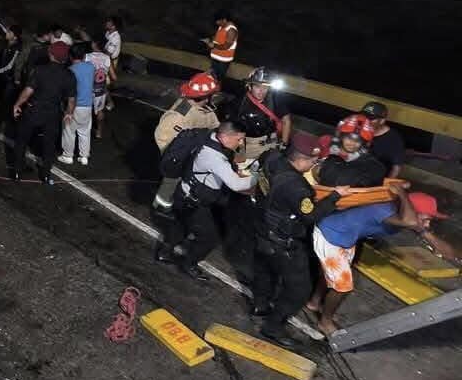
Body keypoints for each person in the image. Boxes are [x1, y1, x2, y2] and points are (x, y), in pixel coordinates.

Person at [308, 185, 446, 335]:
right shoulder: (383, 210)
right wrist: (402, 193)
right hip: (331, 234)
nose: (427, 224)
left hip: (346, 238)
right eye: (425, 219)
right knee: (342, 287)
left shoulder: (402, 215)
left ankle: (314, 302)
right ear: (412, 211)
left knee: (331, 275)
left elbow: (437, 244)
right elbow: (411, 222)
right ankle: (325, 322)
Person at [251, 143, 351, 348]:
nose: (314, 165)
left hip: (261, 228)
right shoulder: (297, 187)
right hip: (283, 242)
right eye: (313, 161)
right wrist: (335, 196)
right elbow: (310, 215)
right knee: (299, 290)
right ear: (301, 160)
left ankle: (259, 305)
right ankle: (273, 327)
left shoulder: (272, 159)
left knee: (264, 270)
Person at [161, 122, 255, 281]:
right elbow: (237, 184)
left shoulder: (210, 136)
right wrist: (259, 178)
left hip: (183, 193)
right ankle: (189, 264)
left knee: (180, 225)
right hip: (193, 201)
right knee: (209, 237)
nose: (240, 143)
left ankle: (164, 252)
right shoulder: (214, 157)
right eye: (238, 139)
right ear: (224, 137)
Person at [152, 72, 220, 213]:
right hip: (181, 156)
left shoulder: (205, 109)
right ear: (205, 97)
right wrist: (175, 157)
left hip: (194, 153)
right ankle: (161, 206)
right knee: (171, 181)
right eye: (211, 94)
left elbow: (214, 126)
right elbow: (162, 137)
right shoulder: (179, 116)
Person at [12, 41, 75, 185]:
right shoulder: (69, 75)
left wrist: (17, 104)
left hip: (34, 109)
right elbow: (71, 99)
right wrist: (69, 112)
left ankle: (17, 172)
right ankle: (46, 175)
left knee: (22, 140)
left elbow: (28, 91)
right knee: (49, 145)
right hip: (53, 112)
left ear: (51, 54)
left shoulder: (40, 70)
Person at [232, 67, 291, 165]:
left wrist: (283, 144)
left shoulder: (274, 100)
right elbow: (235, 129)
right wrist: (241, 151)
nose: (261, 91)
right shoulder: (240, 103)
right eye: (257, 86)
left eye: (265, 87)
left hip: (272, 142)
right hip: (250, 145)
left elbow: (286, 120)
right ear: (250, 86)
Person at [317, 115, 386, 188]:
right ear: (341, 136)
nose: (352, 143)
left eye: (358, 141)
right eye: (349, 138)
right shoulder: (325, 143)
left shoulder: (368, 163)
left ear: (364, 143)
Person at [59, 43, 96, 166]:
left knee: (69, 130)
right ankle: (84, 156)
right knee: (85, 131)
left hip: (74, 105)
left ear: (70, 56)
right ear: (84, 55)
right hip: (88, 105)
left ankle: (68, 155)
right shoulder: (91, 67)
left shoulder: (70, 70)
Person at [361, 101, 406, 179]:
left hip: (377, 178)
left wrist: (386, 185)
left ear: (382, 121)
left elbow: (397, 167)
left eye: (371, 119)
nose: (366, 121)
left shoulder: (393, 139)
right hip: (356, 172)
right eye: (364, 116)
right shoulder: (357, 129)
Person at [85, 37, 117, 138]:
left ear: (94, 44)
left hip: (88, 89)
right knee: (100, 111)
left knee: (86, 111)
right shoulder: (107, 58)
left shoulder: (87, 57)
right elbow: (114, 77)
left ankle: (85, 131)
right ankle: (99, 132)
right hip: (101, 90)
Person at [0, 24, 24, 112]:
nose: (6, 33)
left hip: (9, 80)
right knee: (0, 99)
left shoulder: (16, 48)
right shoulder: (8, 43)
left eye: (9, 32)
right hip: (2, 77)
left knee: (6, 102)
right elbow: (2, 28)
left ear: (14, 37)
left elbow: (10, 66)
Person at [203, 10, 238, 80]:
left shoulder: (231, 30)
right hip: (215, 57)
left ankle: (216, 90)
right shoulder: (221, 26)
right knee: (211, 78)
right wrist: (210, 40)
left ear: (224, 20)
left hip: (222, 61)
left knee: (218, 80)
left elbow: (226, 46)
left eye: (218, 21)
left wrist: (213, 45)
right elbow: (218, 39)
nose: (216, 23)